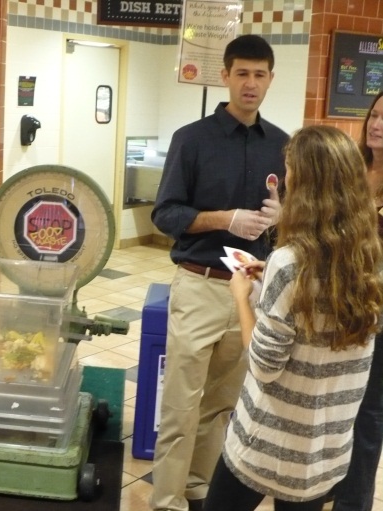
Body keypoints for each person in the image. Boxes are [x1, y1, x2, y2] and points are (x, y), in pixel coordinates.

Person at [203, 124, 383, 511]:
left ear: (304, 184)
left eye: (290, 171)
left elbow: (264, 366)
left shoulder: (290, 264)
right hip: (323, 454)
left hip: (266, 446)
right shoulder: (369, 259)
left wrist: (242, 298)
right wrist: (270, 275)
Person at [150, 34, 289, 511]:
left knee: (221, 405)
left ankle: (197, 490)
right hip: (199, 284)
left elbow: (290, 222)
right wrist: (223, 219)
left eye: (259, 74)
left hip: (249, 291)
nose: (251, 83)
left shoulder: (282, 145)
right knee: (181, 406)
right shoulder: (191, 139)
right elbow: (165, 214)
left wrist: (282, 217)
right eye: (242, 73)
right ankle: (166, 501)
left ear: (270, 79)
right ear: (226, 76)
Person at [330, 92, 383, 511]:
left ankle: (354, 502)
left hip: (378, 314)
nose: (377, 125)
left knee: (368, 412)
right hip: (340, 304)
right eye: (375, 114)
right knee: (335, 403)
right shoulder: (352, 170)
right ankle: (327, 482)